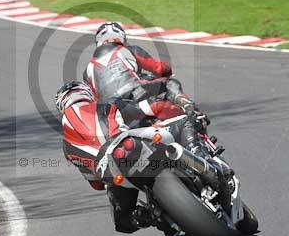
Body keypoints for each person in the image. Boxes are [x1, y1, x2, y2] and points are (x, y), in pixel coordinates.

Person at [55, 80, 179, 236]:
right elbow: (152, 108)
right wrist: (179, 111)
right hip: (128, 144)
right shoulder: (105, 105)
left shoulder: (66, 144)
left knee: (123, 222)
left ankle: (152, 216)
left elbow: (95, 184)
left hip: (109, 171)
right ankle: (196, 152)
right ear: (87, 93)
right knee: (185, 122)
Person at [83, 21, 208, 156]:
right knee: (170, 84)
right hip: (136, 96)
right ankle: (190, 113)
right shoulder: (128, 50)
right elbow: (158, 68)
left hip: (114, 115)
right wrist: (166, 71)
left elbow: (94, 99)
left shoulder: (87, 71)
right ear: (121, 37)